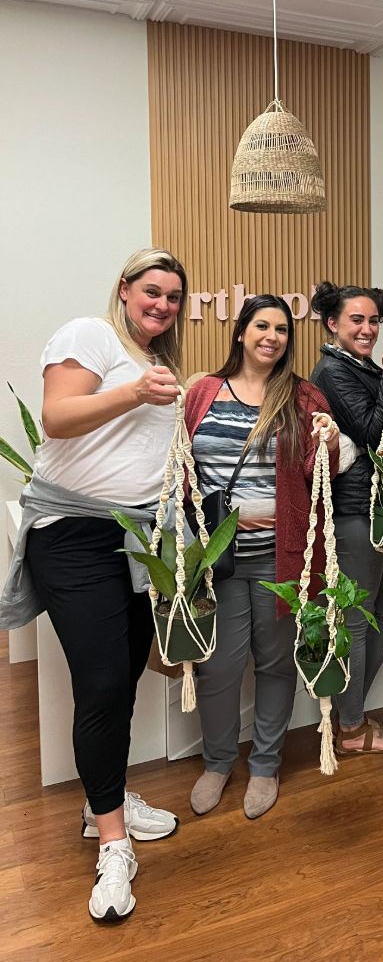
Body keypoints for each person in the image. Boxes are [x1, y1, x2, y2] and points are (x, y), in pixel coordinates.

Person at [0, 249, 187, 921]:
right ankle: (112, 844)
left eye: (173, 297)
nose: (162, 304)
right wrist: (136, 392)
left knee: (125, 671)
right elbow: (56, 416)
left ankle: (101, 797)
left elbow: (145, 457)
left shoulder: (160, 370)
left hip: (133, 542)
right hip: (72, 534)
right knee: (105, 681)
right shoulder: (92, 335)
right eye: (152, 291)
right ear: (125, 290)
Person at [184, 294, 338, 819]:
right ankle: (218, 761)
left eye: (281, 329)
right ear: (241, 332)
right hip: (218, 560)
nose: (271, 336)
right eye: (261, 325)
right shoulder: (203, 391)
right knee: (219, 666)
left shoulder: (302, 395)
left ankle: (267, 763)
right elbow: (180, 464)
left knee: (275, 663)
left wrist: (331, 439)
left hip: (282, 559)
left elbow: (326, 468)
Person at [308, 281, 383, 754]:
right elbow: (377, 433)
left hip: (377, 507)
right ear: (333, 324)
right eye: (357, 320)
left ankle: (348, 715)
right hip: (355, 509)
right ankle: (349, 727)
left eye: (373, 320)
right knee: (356, 618)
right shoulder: (333, 371)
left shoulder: (362, 367)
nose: (368, 328)